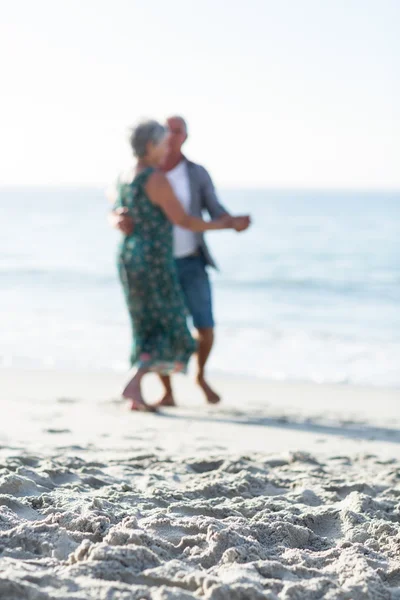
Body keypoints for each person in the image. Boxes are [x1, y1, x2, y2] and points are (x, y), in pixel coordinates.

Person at [110, 116, 251, 408]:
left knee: (150, 324)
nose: (169, 142)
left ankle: (138, 391)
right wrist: (226, 226)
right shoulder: (155, 177)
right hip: (156, 261)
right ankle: (136, 383)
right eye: (164, 138)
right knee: (172, 328)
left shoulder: (130, 174)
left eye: (176, 133)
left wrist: (228, 220)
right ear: (151, 144)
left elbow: (210, 207)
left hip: (134, 257)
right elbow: (183, 220)